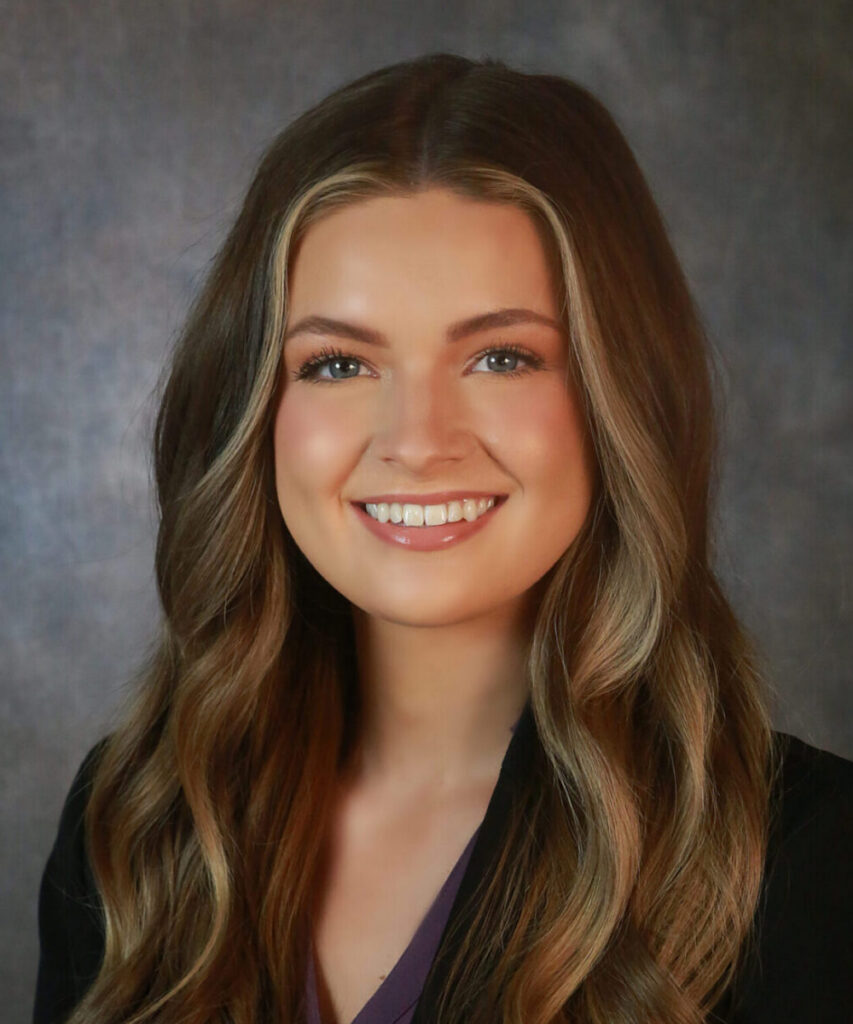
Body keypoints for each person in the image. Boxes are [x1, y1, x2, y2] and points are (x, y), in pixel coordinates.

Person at [33, 53, 852, 1024]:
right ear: (253, 407)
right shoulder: (136, 820)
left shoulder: (807, 856)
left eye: (501, 356)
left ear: (618, 394)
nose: (417, 441)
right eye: (338, 362)